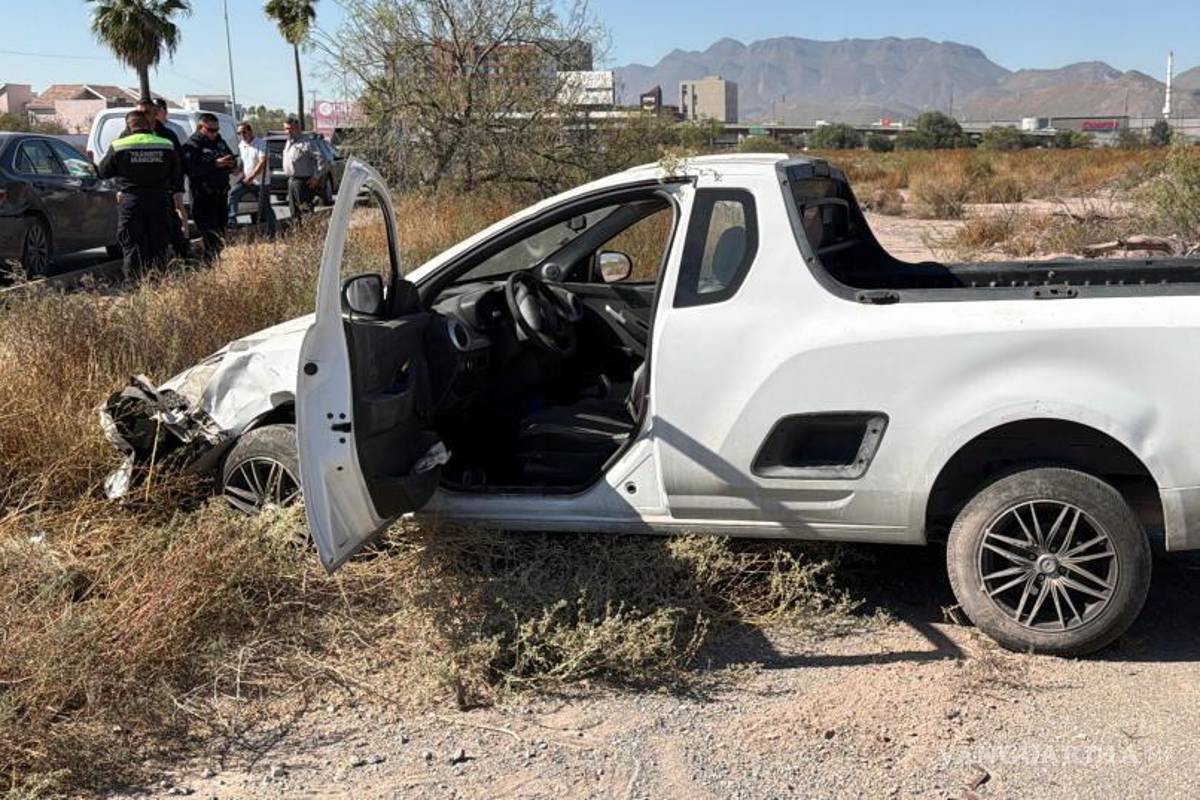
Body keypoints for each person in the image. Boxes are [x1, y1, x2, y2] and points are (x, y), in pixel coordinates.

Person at [96, 109, 180, 278]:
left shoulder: (119, 145)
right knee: (159, 243)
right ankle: (159, 283)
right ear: (149, 124)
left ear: (128, 127)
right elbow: (176, 174)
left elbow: (104, 172)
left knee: (132, 245)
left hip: (132, 201)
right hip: (160, 200)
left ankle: (134, 285)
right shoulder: (166, 144)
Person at [181, 113, 237, 263]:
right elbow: (191, 170)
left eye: (217, 130)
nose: (215, 133)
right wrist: (215, 164)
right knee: (209, 233)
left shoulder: (219, 142)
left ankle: (214, 260)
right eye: (211, 130)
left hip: (220, 195)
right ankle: (210, 262)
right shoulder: (192, 145)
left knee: (220, 232)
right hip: (203, 197)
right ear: (201, 127)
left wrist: (231, 164)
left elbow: (231, 157)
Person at [227, 121, 276, 236]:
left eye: (244, 132)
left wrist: (252, 175)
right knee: (233, 194)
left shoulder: (260, 143)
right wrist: (237, 171)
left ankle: (272, 231)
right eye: (239, 133)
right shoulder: (241, 145)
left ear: (250, 131)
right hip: (246, 181)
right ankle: (231, 220)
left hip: (260, 182)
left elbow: (262, 161)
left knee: (265, 207)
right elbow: (243, 163)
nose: (242, 135)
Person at [282, 116, 328, 224]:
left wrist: (316, 177)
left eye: (290, 129)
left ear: (297, 128)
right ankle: (298, 235)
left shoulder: (307, 142)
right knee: (294, 212)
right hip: (291, 181)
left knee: (305, 211)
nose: (287, 132)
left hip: (303, 182)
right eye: (285, 129)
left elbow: (322, 160)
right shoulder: (289, 142)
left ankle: (310, 234)